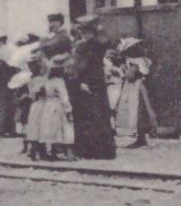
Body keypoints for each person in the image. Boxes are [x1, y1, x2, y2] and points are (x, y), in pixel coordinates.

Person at [67, 14, 116, 160]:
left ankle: (91, 150)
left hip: (88, 83)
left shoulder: (88, 45)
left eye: (83, 31)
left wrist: (80, 80)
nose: (82, 34)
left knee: (89, 115)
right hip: (96, 82)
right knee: (97, 114)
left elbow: (82, 66)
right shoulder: (94, 44)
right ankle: (102, 150)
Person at [24, 52, 75, 161]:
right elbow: (64, 97)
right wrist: (68, 109)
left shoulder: (44, 81)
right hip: (57, 105)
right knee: (62, 127)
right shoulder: (59, 81)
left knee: (47, 128)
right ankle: (58, 151)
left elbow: (35, 93)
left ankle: (42, 151)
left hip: (46, 106)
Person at [112, 37, 158, 148]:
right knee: (140, 111)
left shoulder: (135, 62)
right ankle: (142, 137)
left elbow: (131, 76)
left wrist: (124, 70)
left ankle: (141, 138)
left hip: (137, 88)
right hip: (140, 87)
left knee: (137, 110)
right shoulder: (143, 60)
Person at [0, 32, 19, 138]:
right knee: (10, 102)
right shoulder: (12, 49)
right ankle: (10, 128)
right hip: (12, 76)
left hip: (3, 76)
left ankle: (0, 127)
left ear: (0, 40)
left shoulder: (1, 51)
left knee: (1, 101)